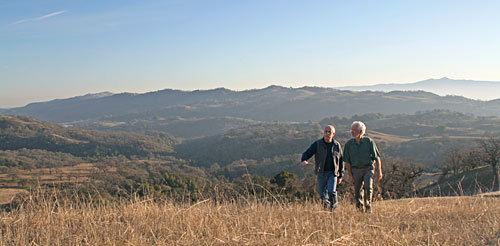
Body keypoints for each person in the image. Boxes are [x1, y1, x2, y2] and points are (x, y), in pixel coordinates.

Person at [301, 125, 344, 210]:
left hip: (333, 173)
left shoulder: (336, 145)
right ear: (323, 133)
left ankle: (333, 210)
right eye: (326, 132)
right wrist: (304, 159)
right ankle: (326, 210)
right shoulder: (317, 144)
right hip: (321, 173)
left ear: (333, 134)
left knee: (331, 191)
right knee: (322, 194)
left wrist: (340, 175)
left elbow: (341, 160)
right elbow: (308, 152)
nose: (327, 134)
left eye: (329, 132)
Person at [344, 121, 383, 213]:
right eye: (351, 130)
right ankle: (359, 209)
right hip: (355, 170)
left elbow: (377, 158)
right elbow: (347, 161)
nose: (352, 132)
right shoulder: (349, 144)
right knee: (357, 190)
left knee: (368, 187)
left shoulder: (369, 142)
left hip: (368, 168)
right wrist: (349, 174)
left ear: (361, 131)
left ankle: (368, 206)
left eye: (354, 130)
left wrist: (379, 171)